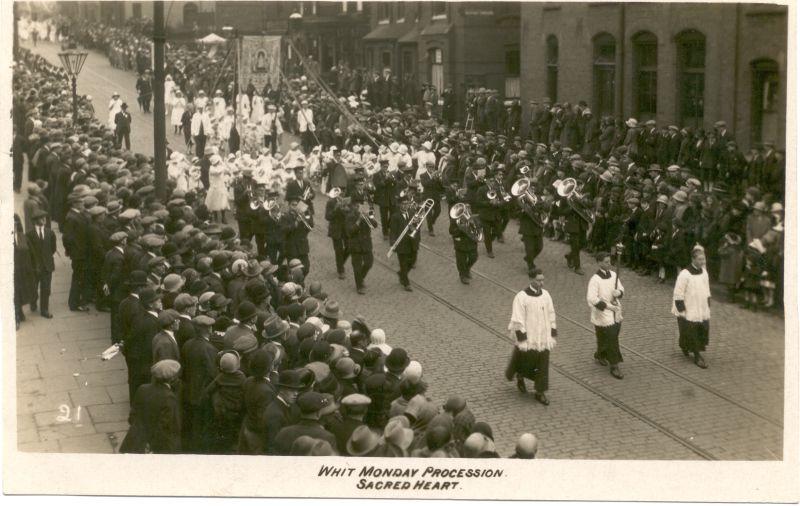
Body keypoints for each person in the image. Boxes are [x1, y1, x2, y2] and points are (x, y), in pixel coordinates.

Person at [506, 268, 557, 405]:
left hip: (543, 337)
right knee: (527, 360)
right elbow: (518, 319)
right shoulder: (521, 297)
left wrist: (552, 332)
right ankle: (520, 376)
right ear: (531, 279)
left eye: (542, 280)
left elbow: (551, 313)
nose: (542, 283)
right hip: (530, 336)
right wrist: (522, 339)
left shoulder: (546, 295)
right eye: (538, 280)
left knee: (543, 363)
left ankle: (540, 392)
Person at [119, 359, 182, 454]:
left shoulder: (142, 389)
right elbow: (168, 427)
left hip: (137, 441)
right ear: (171, 379)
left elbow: (132, 417)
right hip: (158, 447)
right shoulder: (169, 397)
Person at [586, 251, 625, 379]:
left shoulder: (614, 275)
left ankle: (600, 354)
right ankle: (614, 365)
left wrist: (618, 292)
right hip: (602, 312)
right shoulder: (595, 279)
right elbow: (591, 298)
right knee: (611, 337)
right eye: (606, 262)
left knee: (605, 335)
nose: (609, 264)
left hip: (615, 310)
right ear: (599, 263)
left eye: (610, 261)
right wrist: (606, 307)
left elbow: (621, 288)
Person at [672, 246, 712, 369]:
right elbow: (678, 293)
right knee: (691, 330)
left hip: (702, 306)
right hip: (690, 308)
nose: (702, 262)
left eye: (703, 259)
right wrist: (682, 310)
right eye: (700, 259)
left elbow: (706, 288)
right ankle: (697, 356)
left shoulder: (704, 272)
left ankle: (686, 345)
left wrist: (708, 303)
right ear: (693, 259)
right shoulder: (685, 274)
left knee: (701, 329)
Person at [26, 209, 57, 319]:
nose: (44, 219)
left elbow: (53, 248)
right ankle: (33, 301)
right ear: (35, 221)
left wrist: (46, 258)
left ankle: (44, 309)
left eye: (44, 217)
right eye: (41, 218)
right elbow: (29, 252)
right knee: (34, 286)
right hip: (35, 267)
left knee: (46, 288)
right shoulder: (29, 235)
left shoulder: (50, 233)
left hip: (47, 265)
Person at [345, 195, 377, 295]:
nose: (361, 207)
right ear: (354, 206)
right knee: (357, 266)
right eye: (358, 205)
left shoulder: (368, 213)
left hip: (366, 243)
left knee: (369, 263)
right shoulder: (350, 216)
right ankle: (359, 285)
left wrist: (370, 217)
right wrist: (358, 221)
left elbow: (375, 225)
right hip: (355, 245)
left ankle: (360, 278)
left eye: (362, 205)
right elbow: (349, 232)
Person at [389, 193, 418, 291]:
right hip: (401, 243)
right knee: (404, 264)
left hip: (411, 242)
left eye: (407, 203)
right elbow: (392, 231)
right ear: (399, 205)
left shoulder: (412, 213)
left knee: (412, 261)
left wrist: (415, 225)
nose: (405, 205)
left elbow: (417, 227)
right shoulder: (395, 216)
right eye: (403, 204)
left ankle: (401, 273)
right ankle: (406, 283)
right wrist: (393, 242)